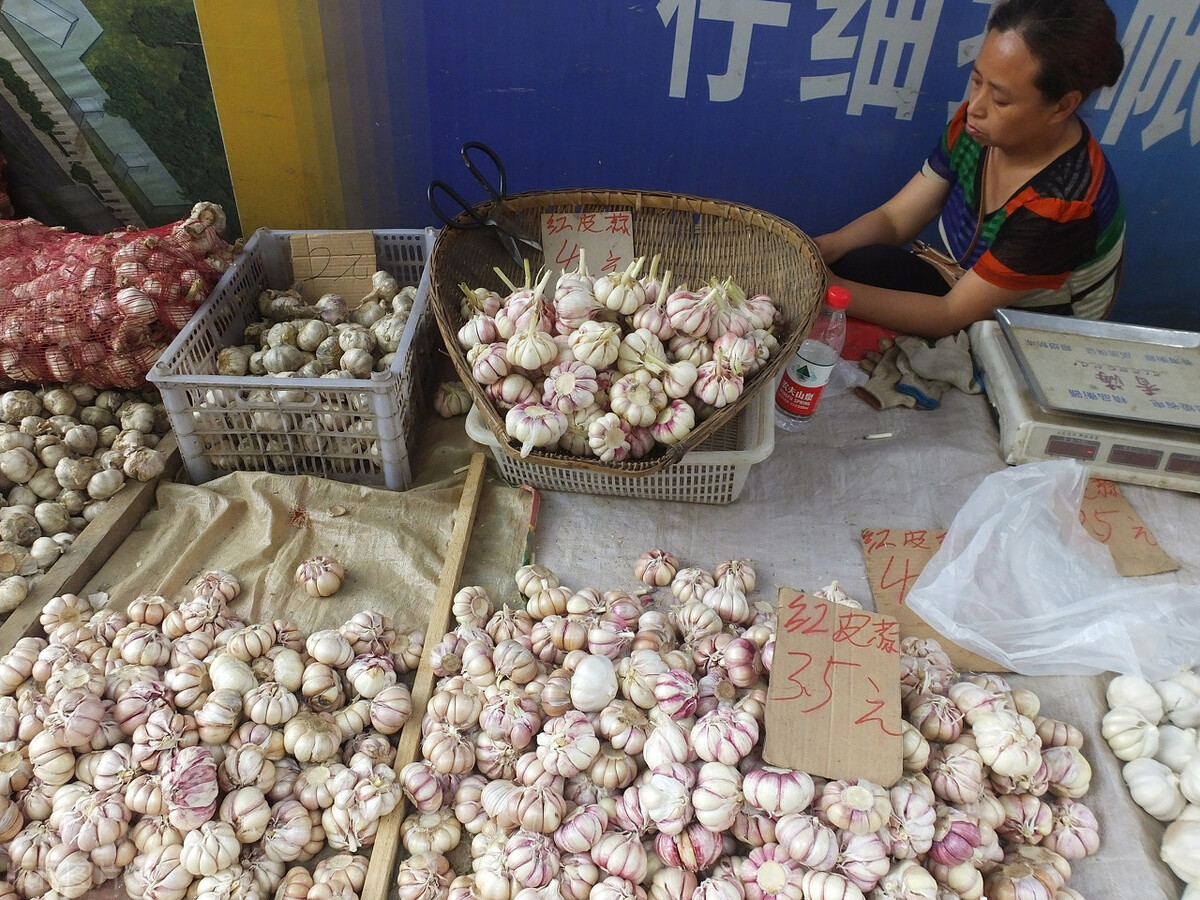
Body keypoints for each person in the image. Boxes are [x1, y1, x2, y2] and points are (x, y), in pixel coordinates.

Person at [814, 0, 1126, 339]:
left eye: (1001, 100)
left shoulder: (1062, 206)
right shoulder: (977, 126)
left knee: (851, 292)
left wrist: (831, 288)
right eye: (977, 81)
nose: (974, 107)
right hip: (964, 285)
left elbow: (949, 314)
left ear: (1062, 106)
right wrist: (822, 249)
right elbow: (895, 219)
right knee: (856, 263)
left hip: (1027, 330)